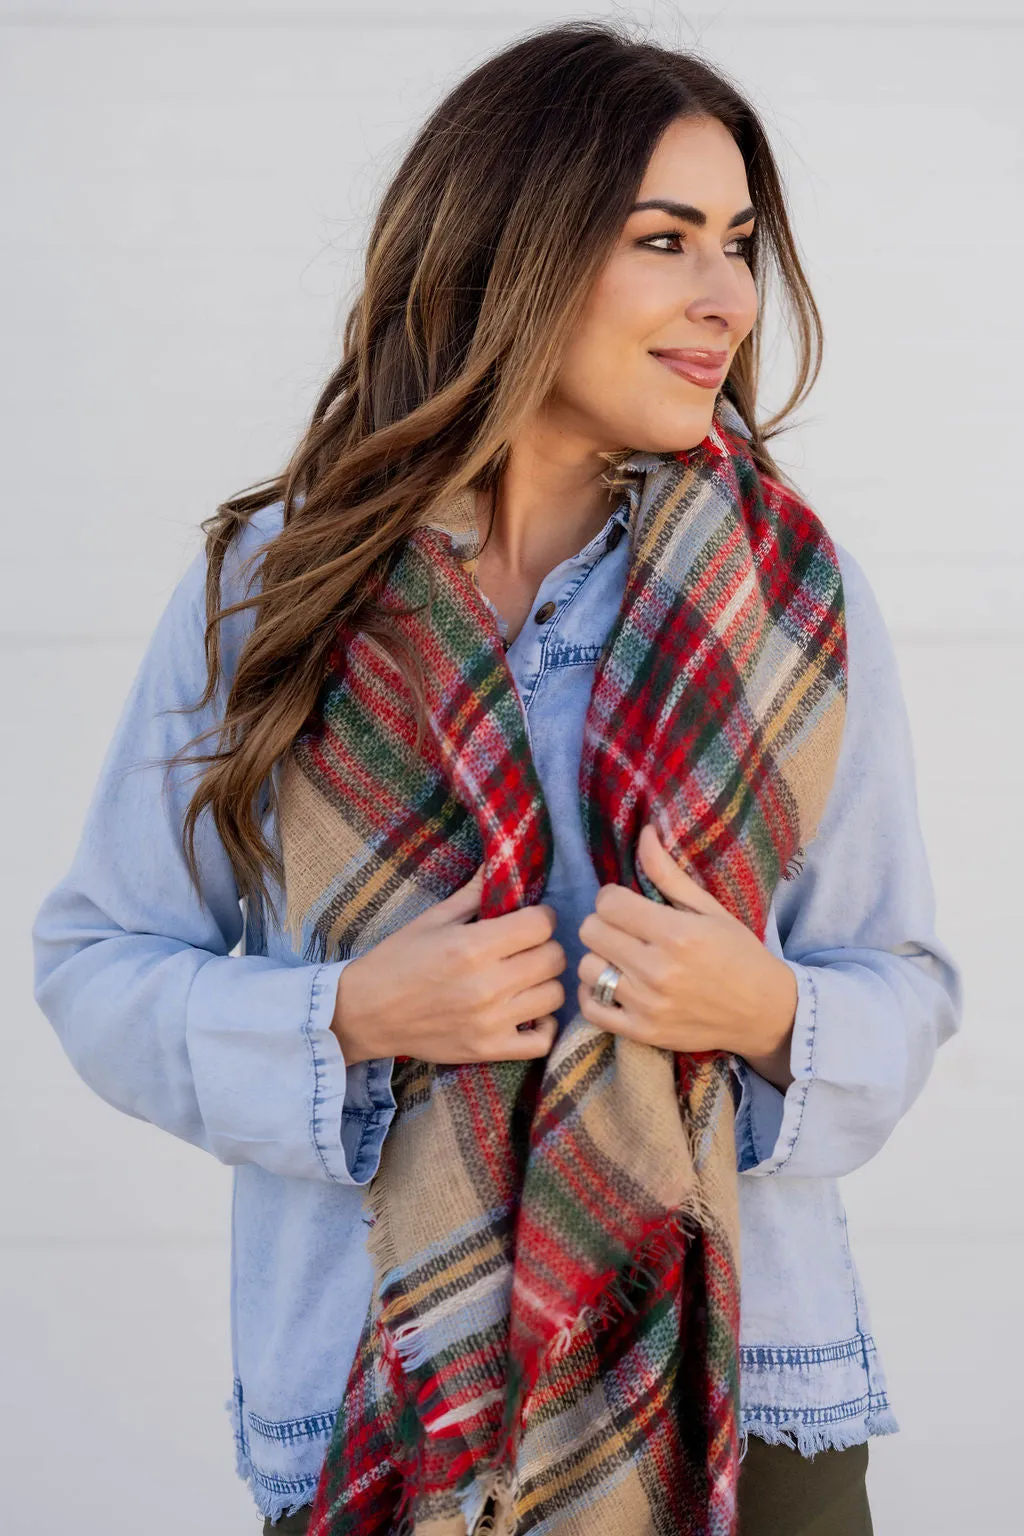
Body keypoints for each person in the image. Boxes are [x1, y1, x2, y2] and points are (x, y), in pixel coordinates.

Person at [32, 21, 961, 1536]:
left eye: (738, 242)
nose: (727, 294)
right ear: (512, 253)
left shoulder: (793, 601)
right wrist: (348, 1019)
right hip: (391, 1397)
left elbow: (905, 981)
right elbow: (92, 964)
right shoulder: (280, 591)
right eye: (667, 240)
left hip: (735, 1406)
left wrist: (770, 1013)